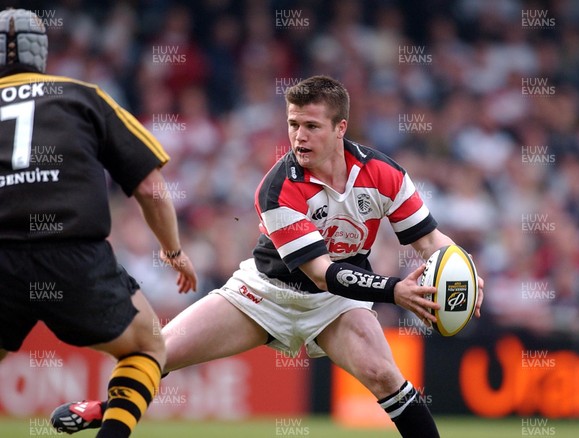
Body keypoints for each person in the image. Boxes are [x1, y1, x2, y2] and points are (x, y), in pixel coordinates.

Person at [52, 75, 484, 437]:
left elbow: (430, 242)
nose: (299, 136)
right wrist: (397, 291)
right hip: (263, 295)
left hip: (336, 306)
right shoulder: (278, 188)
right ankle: (104, 409)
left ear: (340, 128)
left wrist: (465, 272)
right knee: (157, 353)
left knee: (384, 376)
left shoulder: (384, 175)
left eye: (312, 126)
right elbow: (319, 272)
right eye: (293, 124)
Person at [0, 8, 198, 438]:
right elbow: (150, 187)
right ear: (41, 52)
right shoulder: (82, 96)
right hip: (75, 257)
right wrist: (173, 251)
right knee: (148, 347)